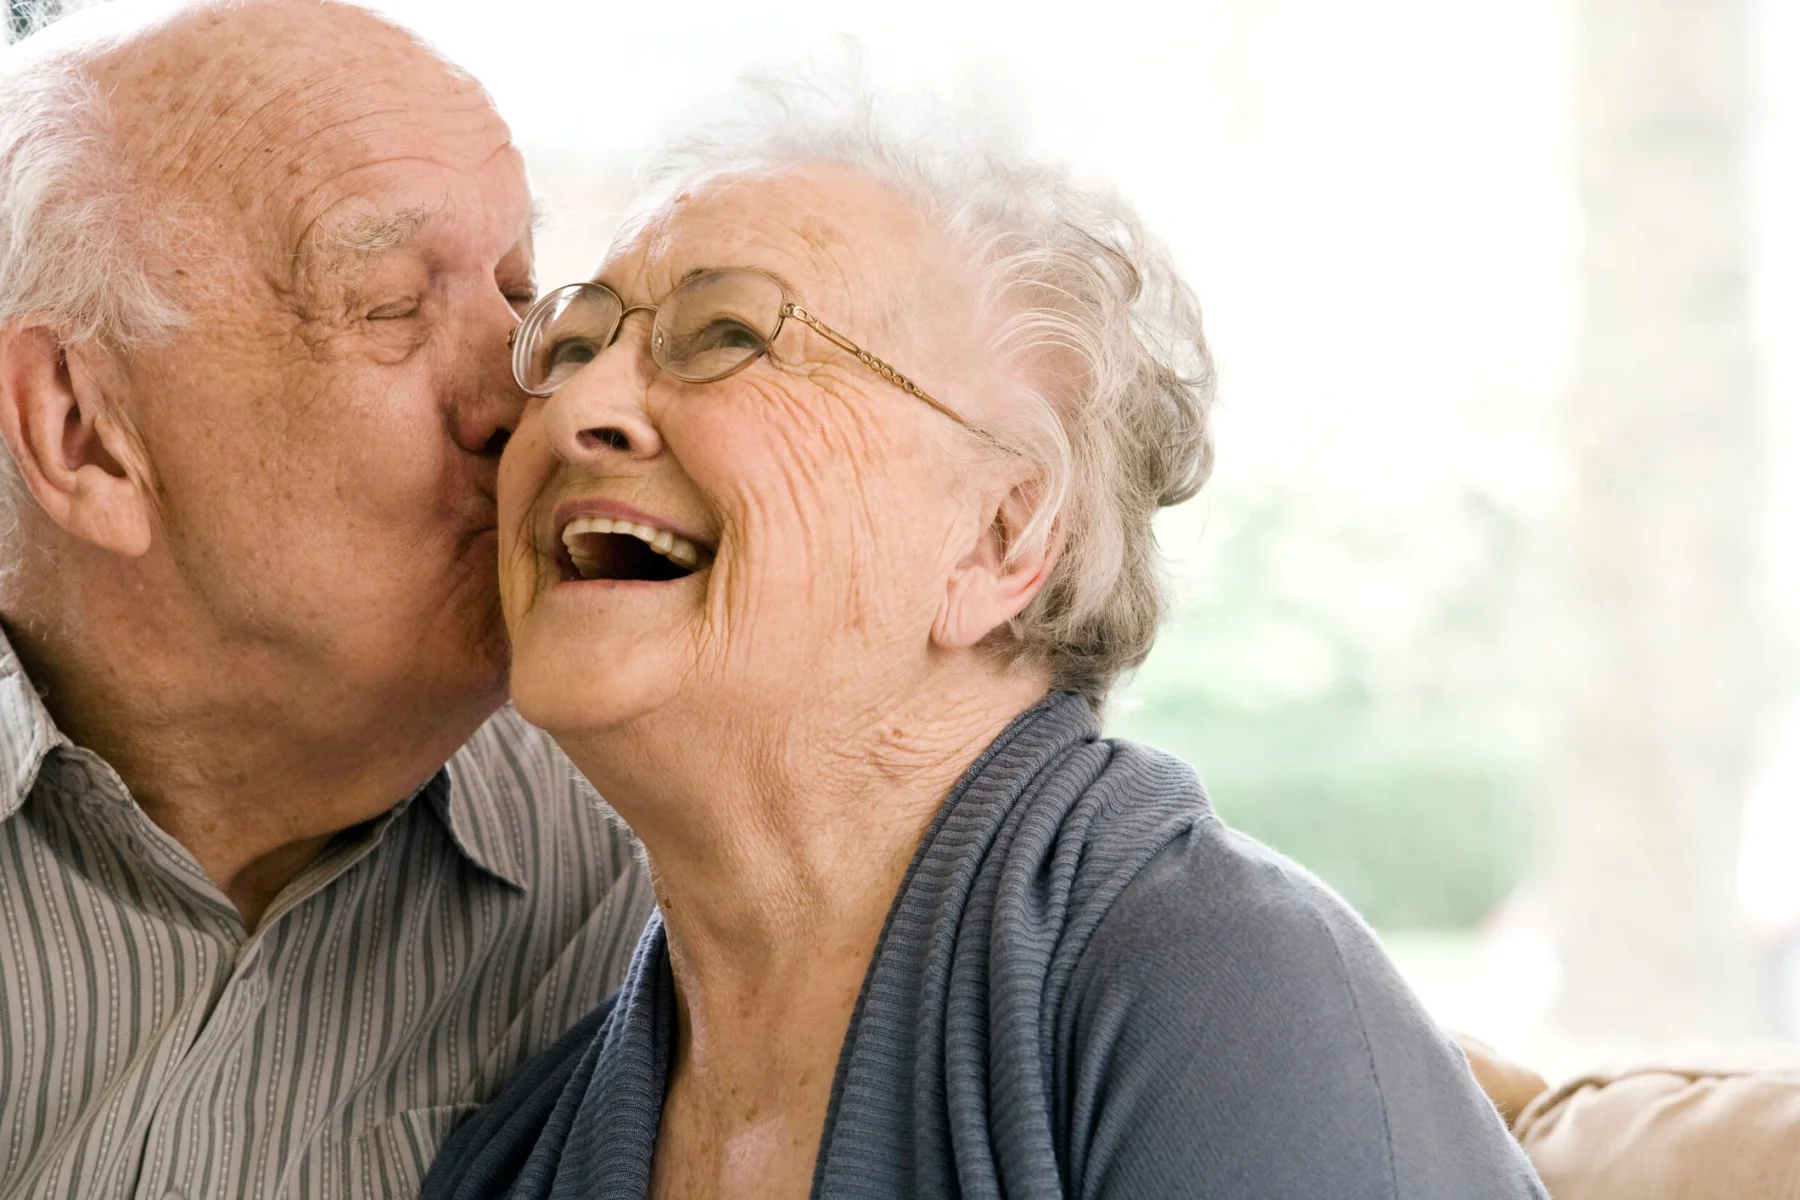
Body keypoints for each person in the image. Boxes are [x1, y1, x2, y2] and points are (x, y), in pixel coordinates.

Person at [423, 83, 1548, 1199]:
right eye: (571, 348)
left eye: (727, 337)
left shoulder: (1214, 992)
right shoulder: (521, 1154)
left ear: (997, 540)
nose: (572, 414)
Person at [0, 3, 651, 1195]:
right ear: (80, 431)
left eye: (520, 296)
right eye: (392, 307)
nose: (526, 409)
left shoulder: (648, 870)